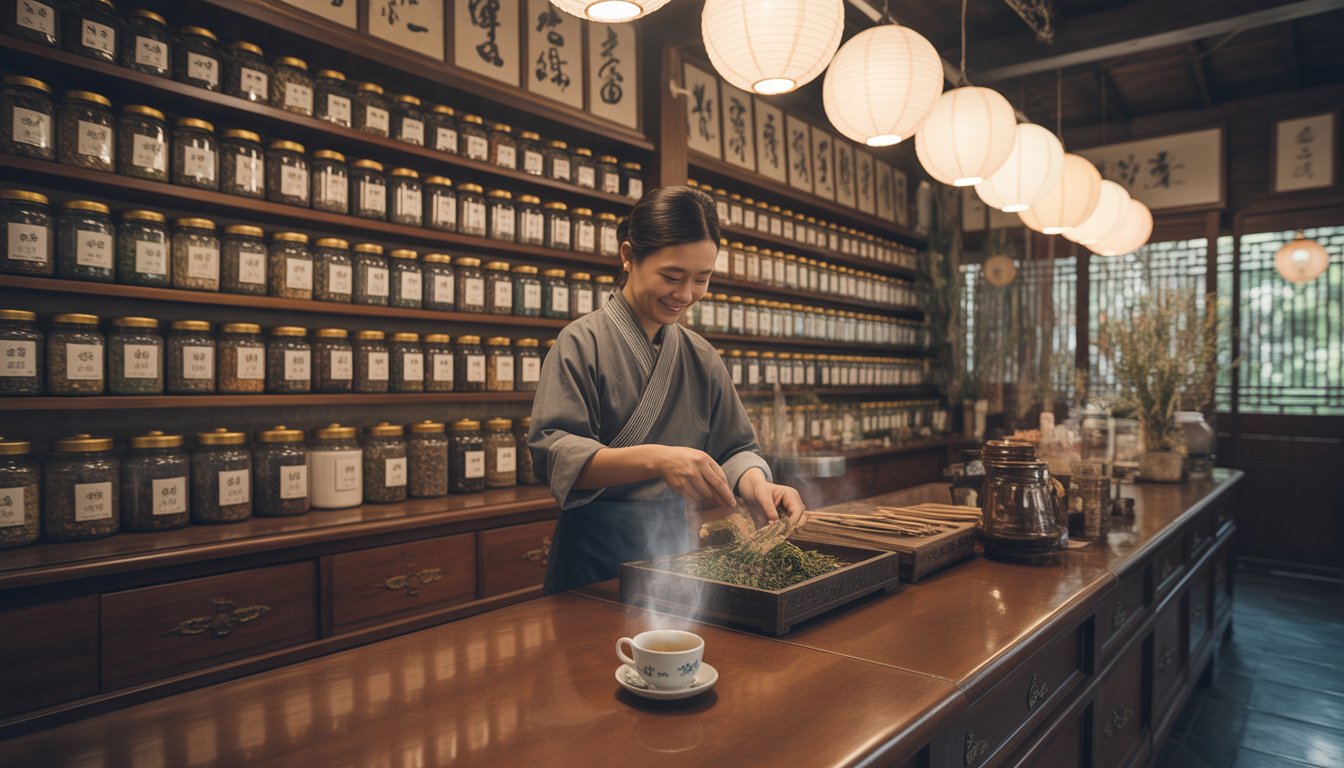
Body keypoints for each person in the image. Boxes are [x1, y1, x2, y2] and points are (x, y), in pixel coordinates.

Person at [528, 185, 805, 593]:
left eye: (701, 279)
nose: (685, 295)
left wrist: (756, 485)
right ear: (628, 256)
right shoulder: (581, 342)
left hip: (677, 553)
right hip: (593, 559)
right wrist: (657, 459)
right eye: (672, 277)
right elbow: (554, 454)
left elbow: (735, 449)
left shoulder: (701, 355)